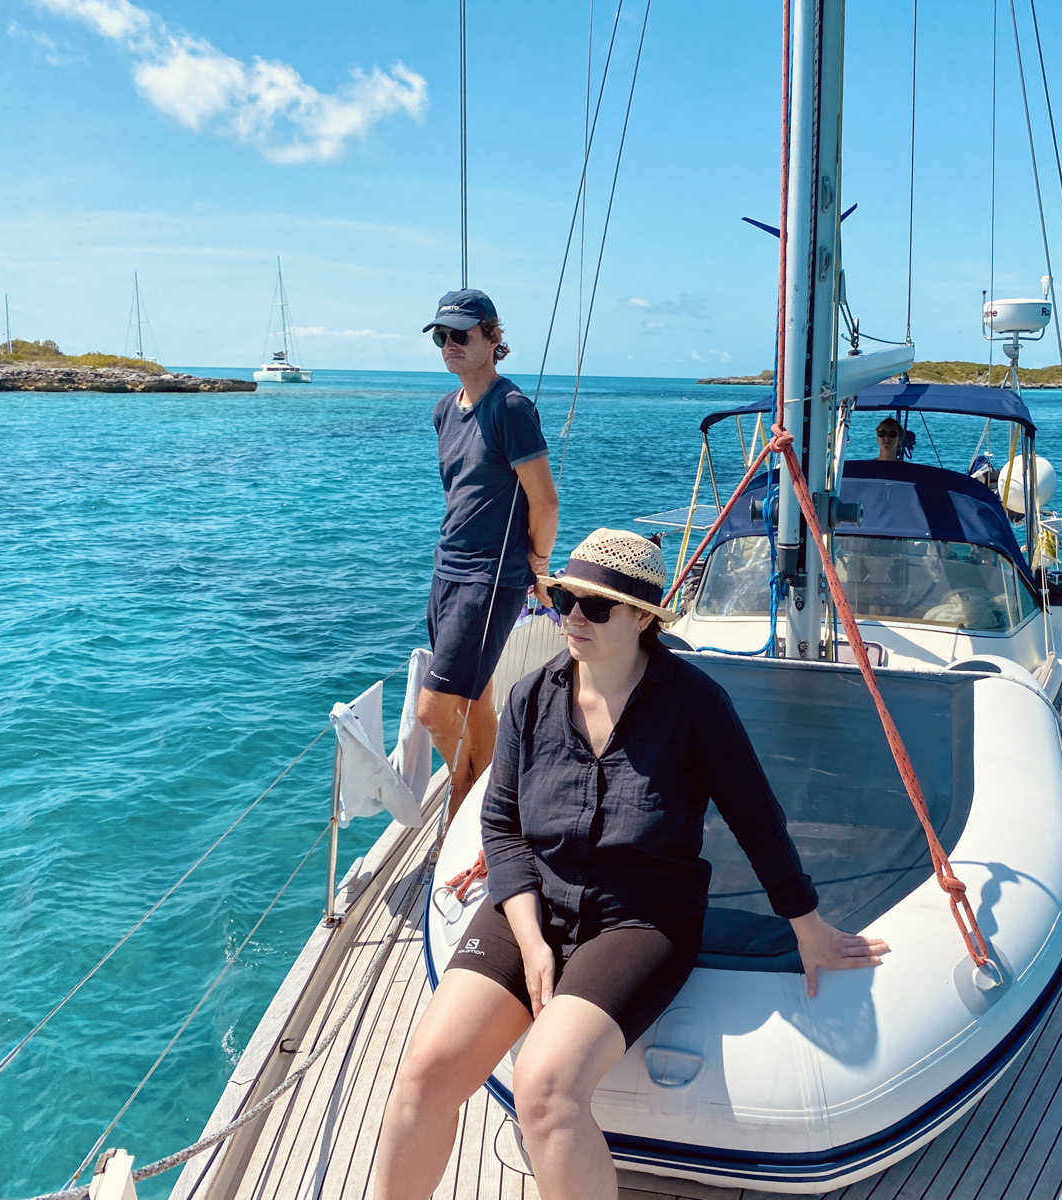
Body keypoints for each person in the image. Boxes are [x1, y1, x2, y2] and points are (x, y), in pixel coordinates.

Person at [373, 529, 889, 1200]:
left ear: (644, 619)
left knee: (545, 1090)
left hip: (640, 918)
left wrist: (806, 924)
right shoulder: (530, 698)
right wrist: (531, 942)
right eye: (564, 600)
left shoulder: (695, 706)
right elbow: (502, 826)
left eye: (596, 607)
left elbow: (757, 820)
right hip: (536, 899)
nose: (573, 618)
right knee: (423, 1072)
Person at [419, 289, 559, 819]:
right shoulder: (444, 411)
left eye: (461, 334)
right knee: (475, 695)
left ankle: (461, 793)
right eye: (441, 336)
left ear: (493, 338)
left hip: (490, 577)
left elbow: (544, 502)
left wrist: (537, 566)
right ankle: (495, 796)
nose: (449, 344)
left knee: (433, 710)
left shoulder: (511, 408)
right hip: (448, 569)